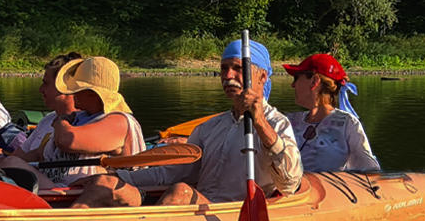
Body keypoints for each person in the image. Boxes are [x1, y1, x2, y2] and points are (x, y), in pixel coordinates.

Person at [72, 39, 300, 206]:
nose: (228, 76)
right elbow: (171, 173)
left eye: (238, 68)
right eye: (224, 68)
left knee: (180, 191)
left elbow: (290, 183)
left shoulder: (278, 125)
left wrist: (259, 122)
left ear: (262, 77)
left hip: (236, 214)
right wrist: (118, 176)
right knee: (105, 183)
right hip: (201, 207)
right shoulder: (209, 128)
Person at [7, 55, 143, 187]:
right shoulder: (78, 119)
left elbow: (67, 140)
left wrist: (61, 122)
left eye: (77, 89)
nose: (71, 93)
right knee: (10, 163)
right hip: (59, 189)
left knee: (12, 163)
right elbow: (37, 154)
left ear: (92, 93)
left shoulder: (118, 121)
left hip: (80, 194)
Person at [282, 52, 380, 172]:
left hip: (329, 190)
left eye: (296, 78)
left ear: (314, 81)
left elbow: (370, 172)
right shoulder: (288, 121)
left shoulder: (347, 123)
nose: (292, 85)